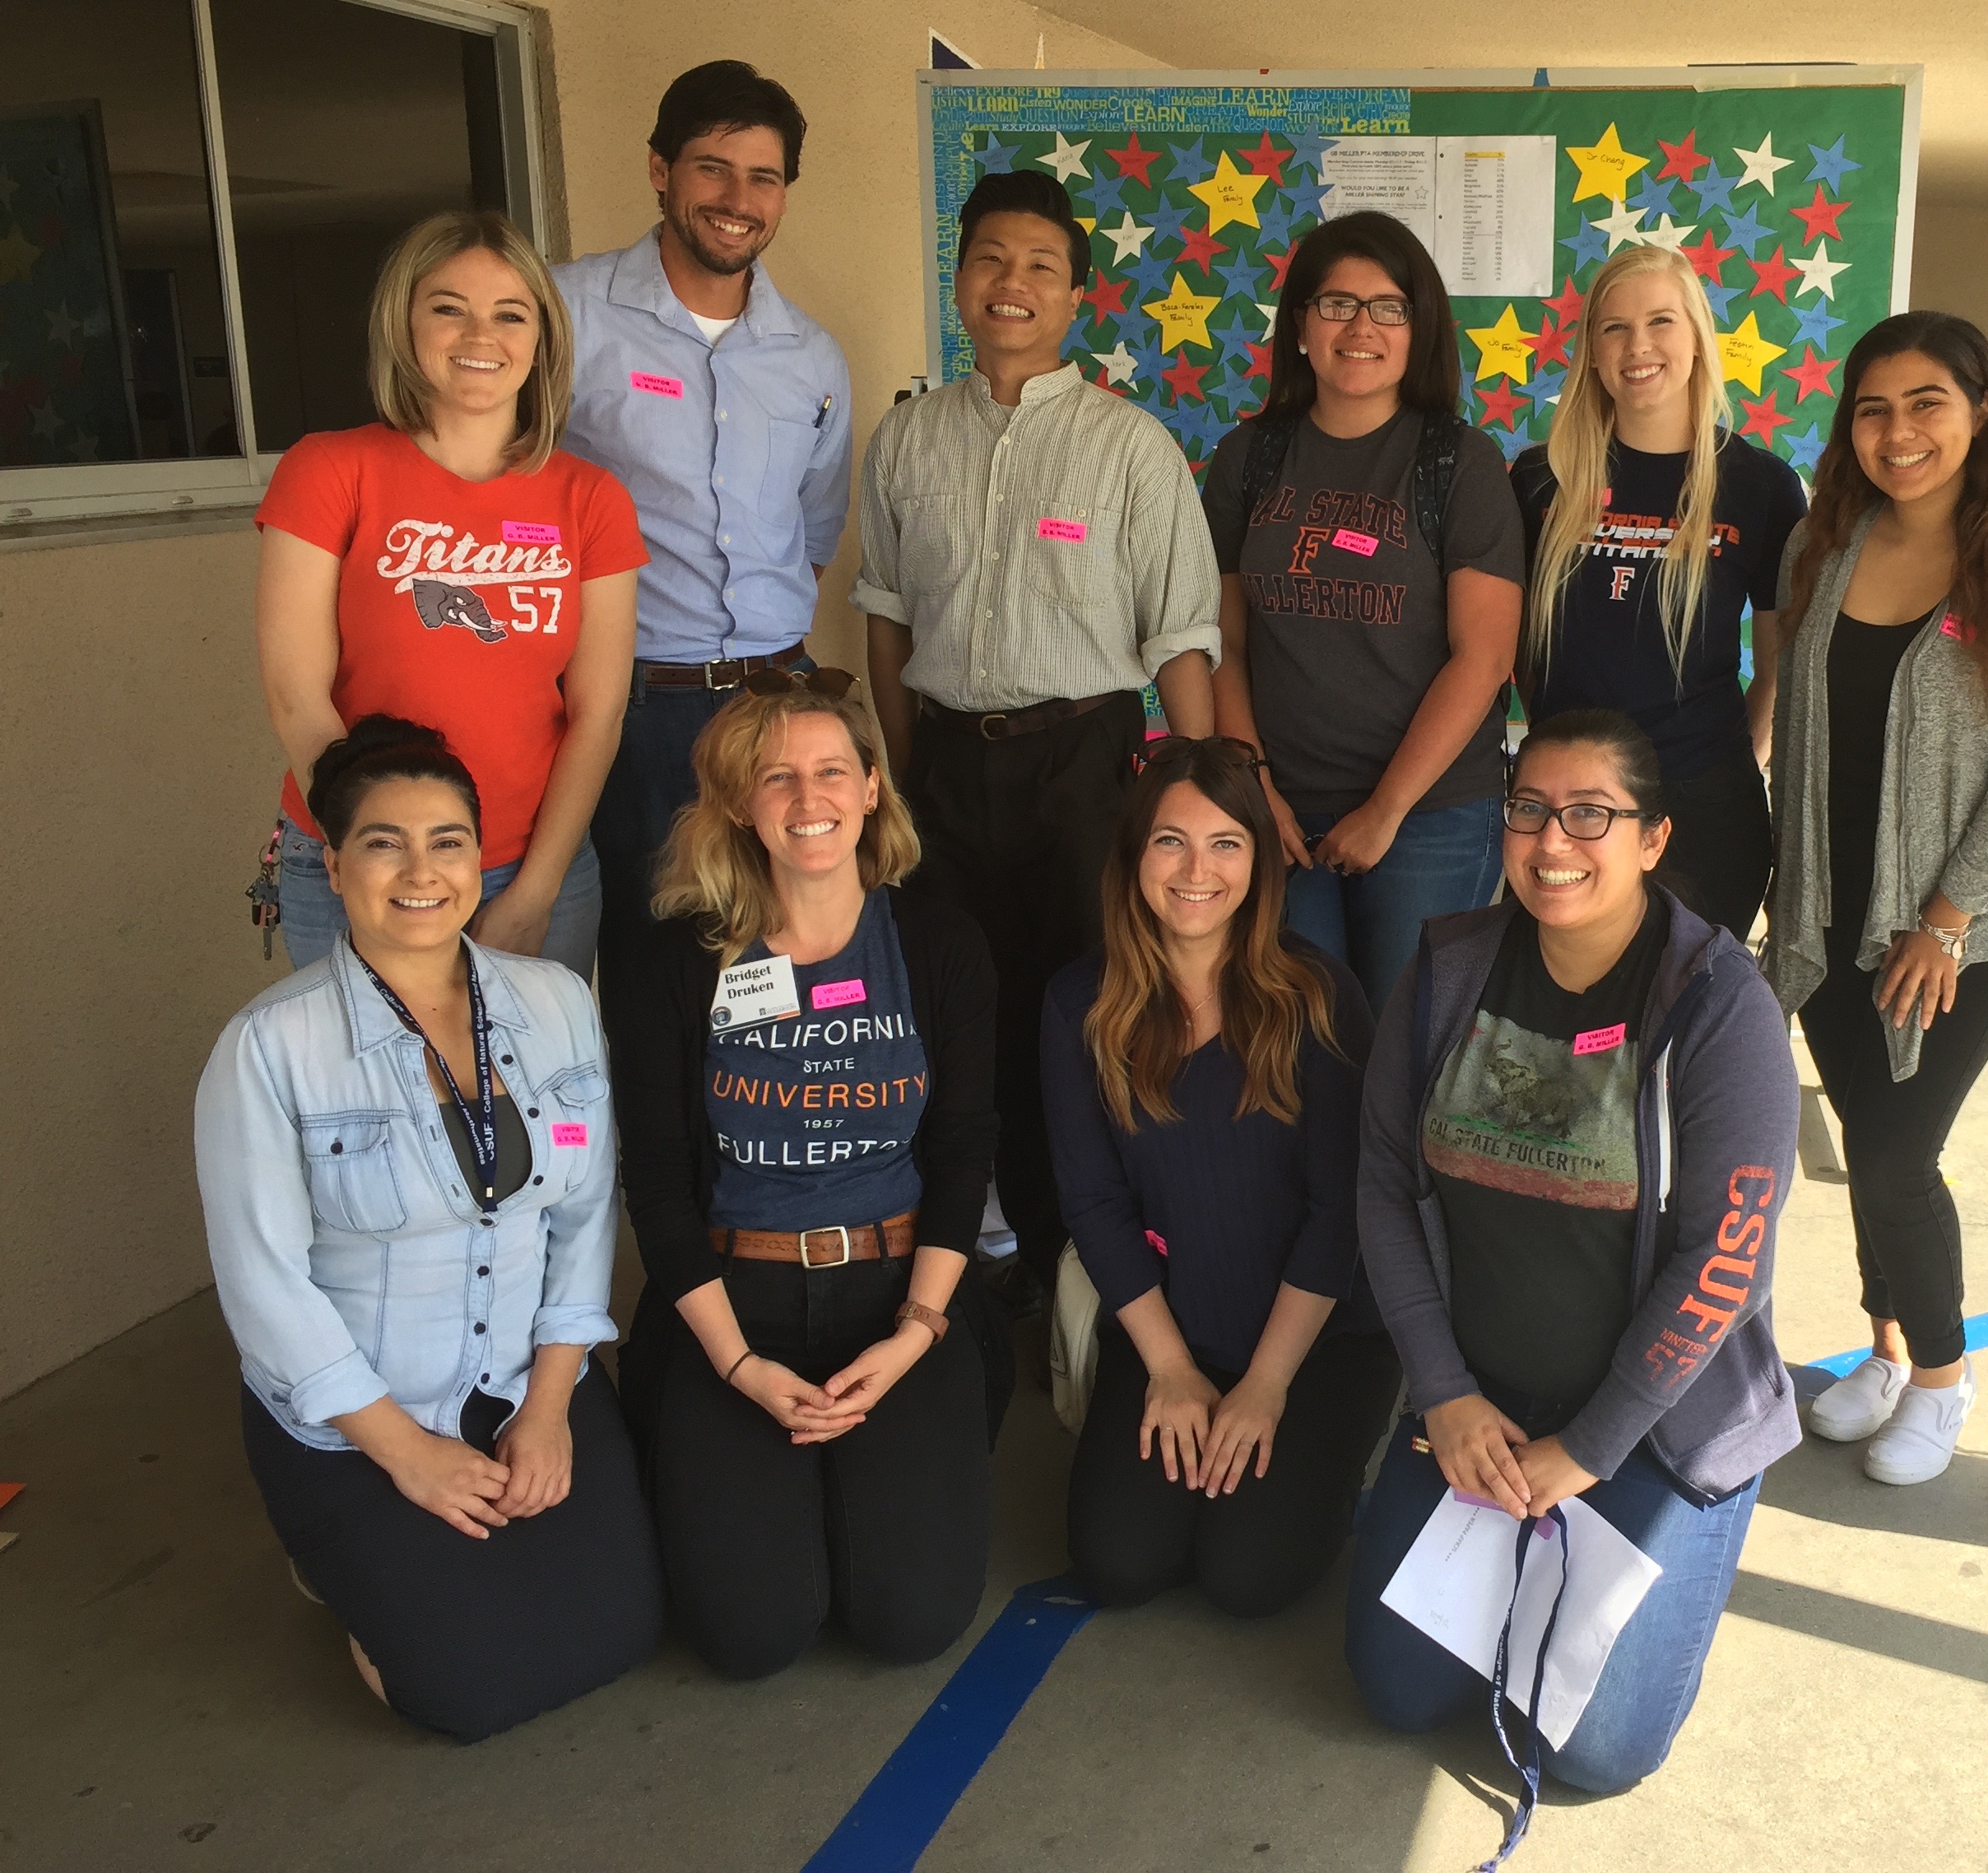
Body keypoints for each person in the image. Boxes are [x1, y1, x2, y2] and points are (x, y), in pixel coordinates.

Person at [1346, 709, 1803, 1821]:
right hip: (1479, 1407)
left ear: (1652, 838)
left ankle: (1669, 1554)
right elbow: (1383, 1188)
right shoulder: (1450, 971)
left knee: (1594, 1753)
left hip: (1650, 1426)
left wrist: (1589, 1450)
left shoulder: (1717, 1005)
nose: (1555, 841)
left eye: (1591, 814)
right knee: (1396, 1692)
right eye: (1530, 811)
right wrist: (1445, 1395)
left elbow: (1725, 1262)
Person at [195, 717, 661, 1741]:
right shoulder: (270, 1048)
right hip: (363, 1419)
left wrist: (551, 1408)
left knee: (625, 1632)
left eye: (448, 841)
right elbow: (264, 1286)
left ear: (479, 859)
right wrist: (406, 1452)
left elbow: (585, 1213)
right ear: (333, 861)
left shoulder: (553, 1003)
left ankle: (440, 1561)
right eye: (383, 842)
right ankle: (345, 1562)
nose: (421, 870)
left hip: (524, 1390)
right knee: (468, 1690)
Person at [854, 168, 1219, 1299]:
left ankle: (1096, 1256)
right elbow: (886, 617)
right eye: (990, 261)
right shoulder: (909, 440)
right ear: (960, 282)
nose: (1011, 285)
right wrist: (904, 776)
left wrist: (1208, 799)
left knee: (1093, 1006)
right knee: (961, 1010)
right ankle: (982, 1245)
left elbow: (1182, 639)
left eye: (1040, 268)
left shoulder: (1129, 448)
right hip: (948, 764)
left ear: (1075, 302)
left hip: (1083, 763)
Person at [610, 669, 997, 1677]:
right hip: (737, 1302)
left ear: (873, 788)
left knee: (911, 1622)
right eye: (777, 778)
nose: (808, 799)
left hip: (895, 1293)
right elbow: (653, 1182)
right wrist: (740, 1365)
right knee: (751, 1635)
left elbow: (960, 1150)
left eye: (832, 771)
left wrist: (917, 1332)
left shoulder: (939, 944)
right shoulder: (676, 962)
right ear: (741, 802)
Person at [1764, 311, 1988, 1485]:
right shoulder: (1828, 545)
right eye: (1873, 409)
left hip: (1962, 930)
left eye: (1926, 405)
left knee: (1901, 1155)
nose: (1898, 433)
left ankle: (1946, 1384)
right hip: (1825, 911)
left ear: (1982, 412)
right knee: (1864, 1144)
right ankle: (1889, 1349)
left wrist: (1947, 917)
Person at [1039, 737, 1398, 1618]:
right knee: (1118, 1563)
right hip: (1175, 1329)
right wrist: (1168, 1369)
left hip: (1316, 1339)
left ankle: (1328, 1437)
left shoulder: (1318, 995)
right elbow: (1093, 1202)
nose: (1197, 869)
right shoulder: (1079, 1004)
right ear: (1132, 857)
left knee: (1249, 1574)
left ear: (1259, 861)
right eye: (1170, 841)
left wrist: (1267, 1387)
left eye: (1226, 843)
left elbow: (1336, 1213)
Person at [256, 210, 643, 979]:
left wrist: (535, 891)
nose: (481, 336)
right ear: (405, 324)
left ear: (541, 340)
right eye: (448, 309)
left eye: (510, 314)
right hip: (359, 864)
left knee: (525, 1095)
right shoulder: (329, 471)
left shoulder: (590, 499)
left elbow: (597, 713)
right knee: (368, 1098)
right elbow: (296, 694)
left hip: (532, 863)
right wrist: (385, 858)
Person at [553, 62, 854, 1019]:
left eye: (763, 178)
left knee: (772, 970)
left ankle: (751, 1160)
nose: (737, 200)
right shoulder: (566, 316)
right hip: (632, 709)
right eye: (712, 169)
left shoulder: (810, 355)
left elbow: (808, 534)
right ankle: (661, 1169)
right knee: (648, 966)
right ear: (659, 169)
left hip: (777, 705)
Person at [1206, 210, 1526, 1014]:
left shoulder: (1460, 462)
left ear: (1420, 329)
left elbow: (1482, 659)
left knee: (1407, 1047)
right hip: (1282, 811)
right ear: (1302, 325)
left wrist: (1386, 810)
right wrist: (1254, 788)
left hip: (1431, 816)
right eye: (1336, 303)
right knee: (1296, 1039)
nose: (1360, 326)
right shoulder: (1250, 458)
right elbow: (1224, 644)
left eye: (1389, 306)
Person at [1512, 244, 1807, 940]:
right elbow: (1511, 647)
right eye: (1614, 328)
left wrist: (1730, 766)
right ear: (1590, 351)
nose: (1637, 346)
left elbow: (1776, 669)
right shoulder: (1536, 479)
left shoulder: (1760, 486)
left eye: (1661, 322)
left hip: (1703, 810)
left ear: (1698, 338)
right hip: (1565, 810)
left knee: (1686, 1030)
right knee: (1574, 1032)